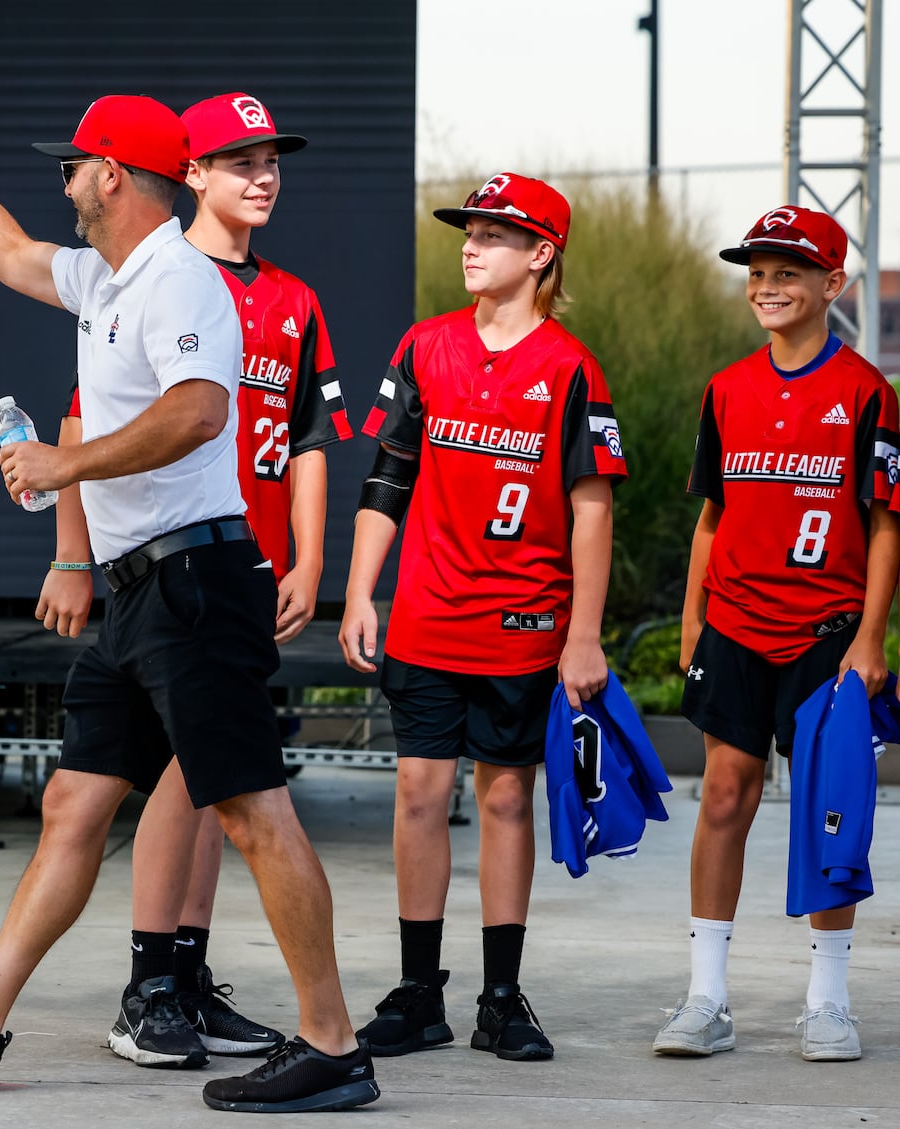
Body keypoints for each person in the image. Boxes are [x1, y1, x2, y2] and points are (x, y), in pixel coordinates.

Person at [0, 91, 377, 1115]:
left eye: (73, 165)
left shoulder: (179, 280)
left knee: (254, 812)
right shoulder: (106, 277)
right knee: (73, 801)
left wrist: (62, 461)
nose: (63, 180)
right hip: (141, 591)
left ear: (115, 175)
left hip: (196, 583)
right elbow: (3, 250)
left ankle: (333, 1045)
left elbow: (196, 413)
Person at [37, 92, 349, 1069]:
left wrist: (306, 556)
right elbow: (82, 426)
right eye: (236, 159)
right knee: (187, 778)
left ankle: (185, 971)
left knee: (217, 785)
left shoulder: (292, 298)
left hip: (237, 569)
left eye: (272, 160)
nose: (260, 176)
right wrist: (72, 553)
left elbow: (305, 439)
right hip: (167, 566)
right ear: (189, 175)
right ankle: (152, 981)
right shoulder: (151, 275)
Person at [339, 173, 626, 1062]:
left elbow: (591, 506)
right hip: (426, 616)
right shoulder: (425, 346)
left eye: (497, 234)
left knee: (506, 797)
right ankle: (419, 994)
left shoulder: (573, 366)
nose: (472, 244)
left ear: (542, 254)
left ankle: (502, 997)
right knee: (419, 794)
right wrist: (358, 590)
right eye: (470, 230)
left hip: (523, 623)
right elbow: (388, 475)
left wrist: (583, 631)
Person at [652, 206, 898, 1063]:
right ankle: (706, 997)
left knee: (832, 812)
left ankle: (828, 1002)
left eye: (788, 272)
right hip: (737, 627)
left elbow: (888, 523)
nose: (768, 286)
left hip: (829, 631)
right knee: (724, 795)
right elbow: (713, 517)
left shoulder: (869, 392)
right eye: (757, 272)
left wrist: (874, 638)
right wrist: (692, 617)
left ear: (833, 284)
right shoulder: (726, 388)